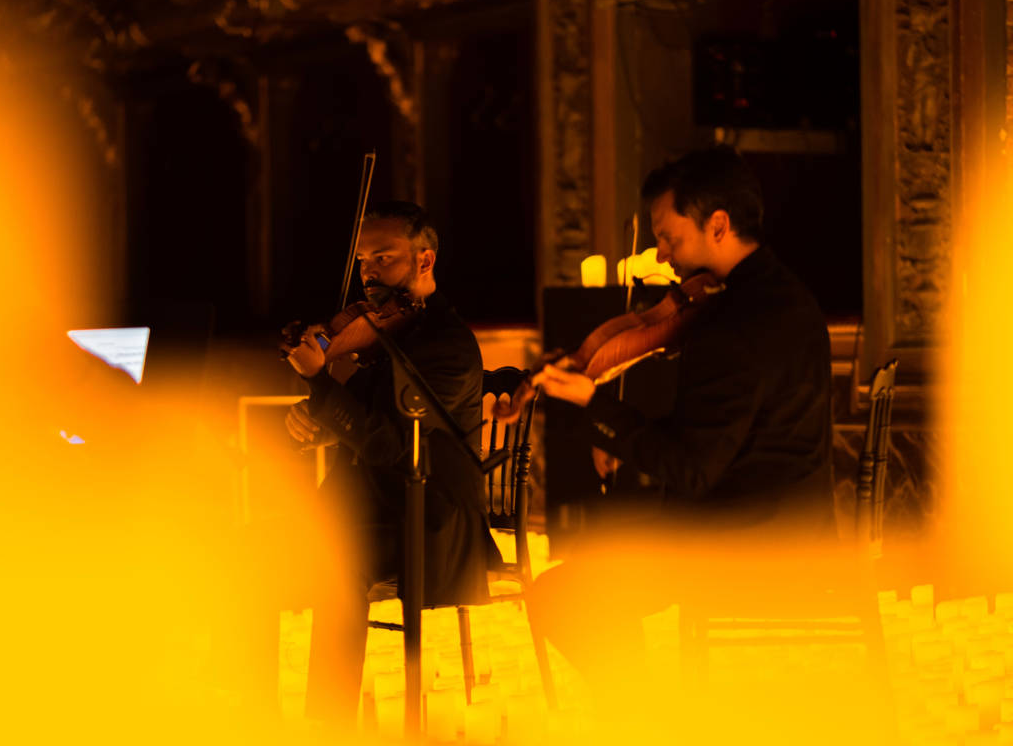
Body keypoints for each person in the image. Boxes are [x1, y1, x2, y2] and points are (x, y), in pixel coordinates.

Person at [528, 145, 835, 703]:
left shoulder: (735, 325)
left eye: (669, 237)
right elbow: (726, 425)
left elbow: (693, 470)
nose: (661, 254)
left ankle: (648, 718)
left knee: (562, 592)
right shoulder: (780, 295)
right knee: (605, 558)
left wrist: (597, 407)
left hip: (743, 545)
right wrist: (623, 430)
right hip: (789, 522)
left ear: (717, 225)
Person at [281, 200, 493, 725]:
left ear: (423, 262)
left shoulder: (444, 344)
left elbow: (394, 447)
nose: (369, 273)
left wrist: (318, 383)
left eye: (384, 258)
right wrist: (312, 422)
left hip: (427, 518)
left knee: (334, 561)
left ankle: (325, 724)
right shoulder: (386, 336)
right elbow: (359, 421)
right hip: (376, 506)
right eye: (362, 262)